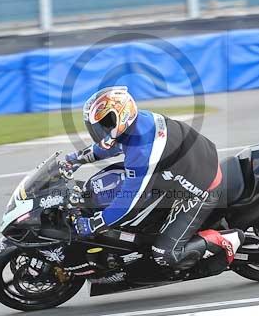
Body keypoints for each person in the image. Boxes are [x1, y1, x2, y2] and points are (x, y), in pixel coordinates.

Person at [61, 86, 244, 271]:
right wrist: (75, 159)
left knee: (165, 254)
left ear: (121, 116)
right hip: (191, 164)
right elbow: (114, 145)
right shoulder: (138, 122)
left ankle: (226, 240)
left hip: (201, 189)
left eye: (106, 123)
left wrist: (95, 223)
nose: (101, 130)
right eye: (98, 126)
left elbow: (130, 204)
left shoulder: (142, 151)